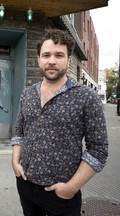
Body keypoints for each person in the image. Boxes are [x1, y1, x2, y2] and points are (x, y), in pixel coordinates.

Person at [11, 28, 109, 216]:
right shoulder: (27, 94)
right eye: (46, 55)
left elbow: (98, 149)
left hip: (61, 194)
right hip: (25, 184)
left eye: (59, 55)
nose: (52, 61)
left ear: (68, 59)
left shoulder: (86, 97)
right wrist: (15, 162)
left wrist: (70, 188)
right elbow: (19, 132)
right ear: (39, 58)